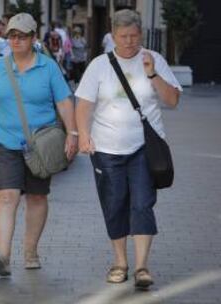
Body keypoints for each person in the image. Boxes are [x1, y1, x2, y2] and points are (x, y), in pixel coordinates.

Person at [75, 9, 182, 288]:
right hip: (107, 149)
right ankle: (120, 262)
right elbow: (84, 105)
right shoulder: (99, 65)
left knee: (142, 204)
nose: (130, 42)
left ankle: (142, 267)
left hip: (144, 148)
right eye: (124, 37)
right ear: (113, 35)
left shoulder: (154, 60)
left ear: (141, 35)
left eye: (134, 36)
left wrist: (153, 75)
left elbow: (172, 100)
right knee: (114, 204)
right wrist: (83, 135)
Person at [0, 13, 78, 277]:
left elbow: (65, 102)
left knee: (36, 196)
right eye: (12, 35)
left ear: (34, 38)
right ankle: (3, 255)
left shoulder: (48, 67)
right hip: (5, 142)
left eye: (22, 36)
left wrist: (73, 133)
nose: (16, 40)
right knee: (5, 195)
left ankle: (30, 250)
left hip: (41, 144)